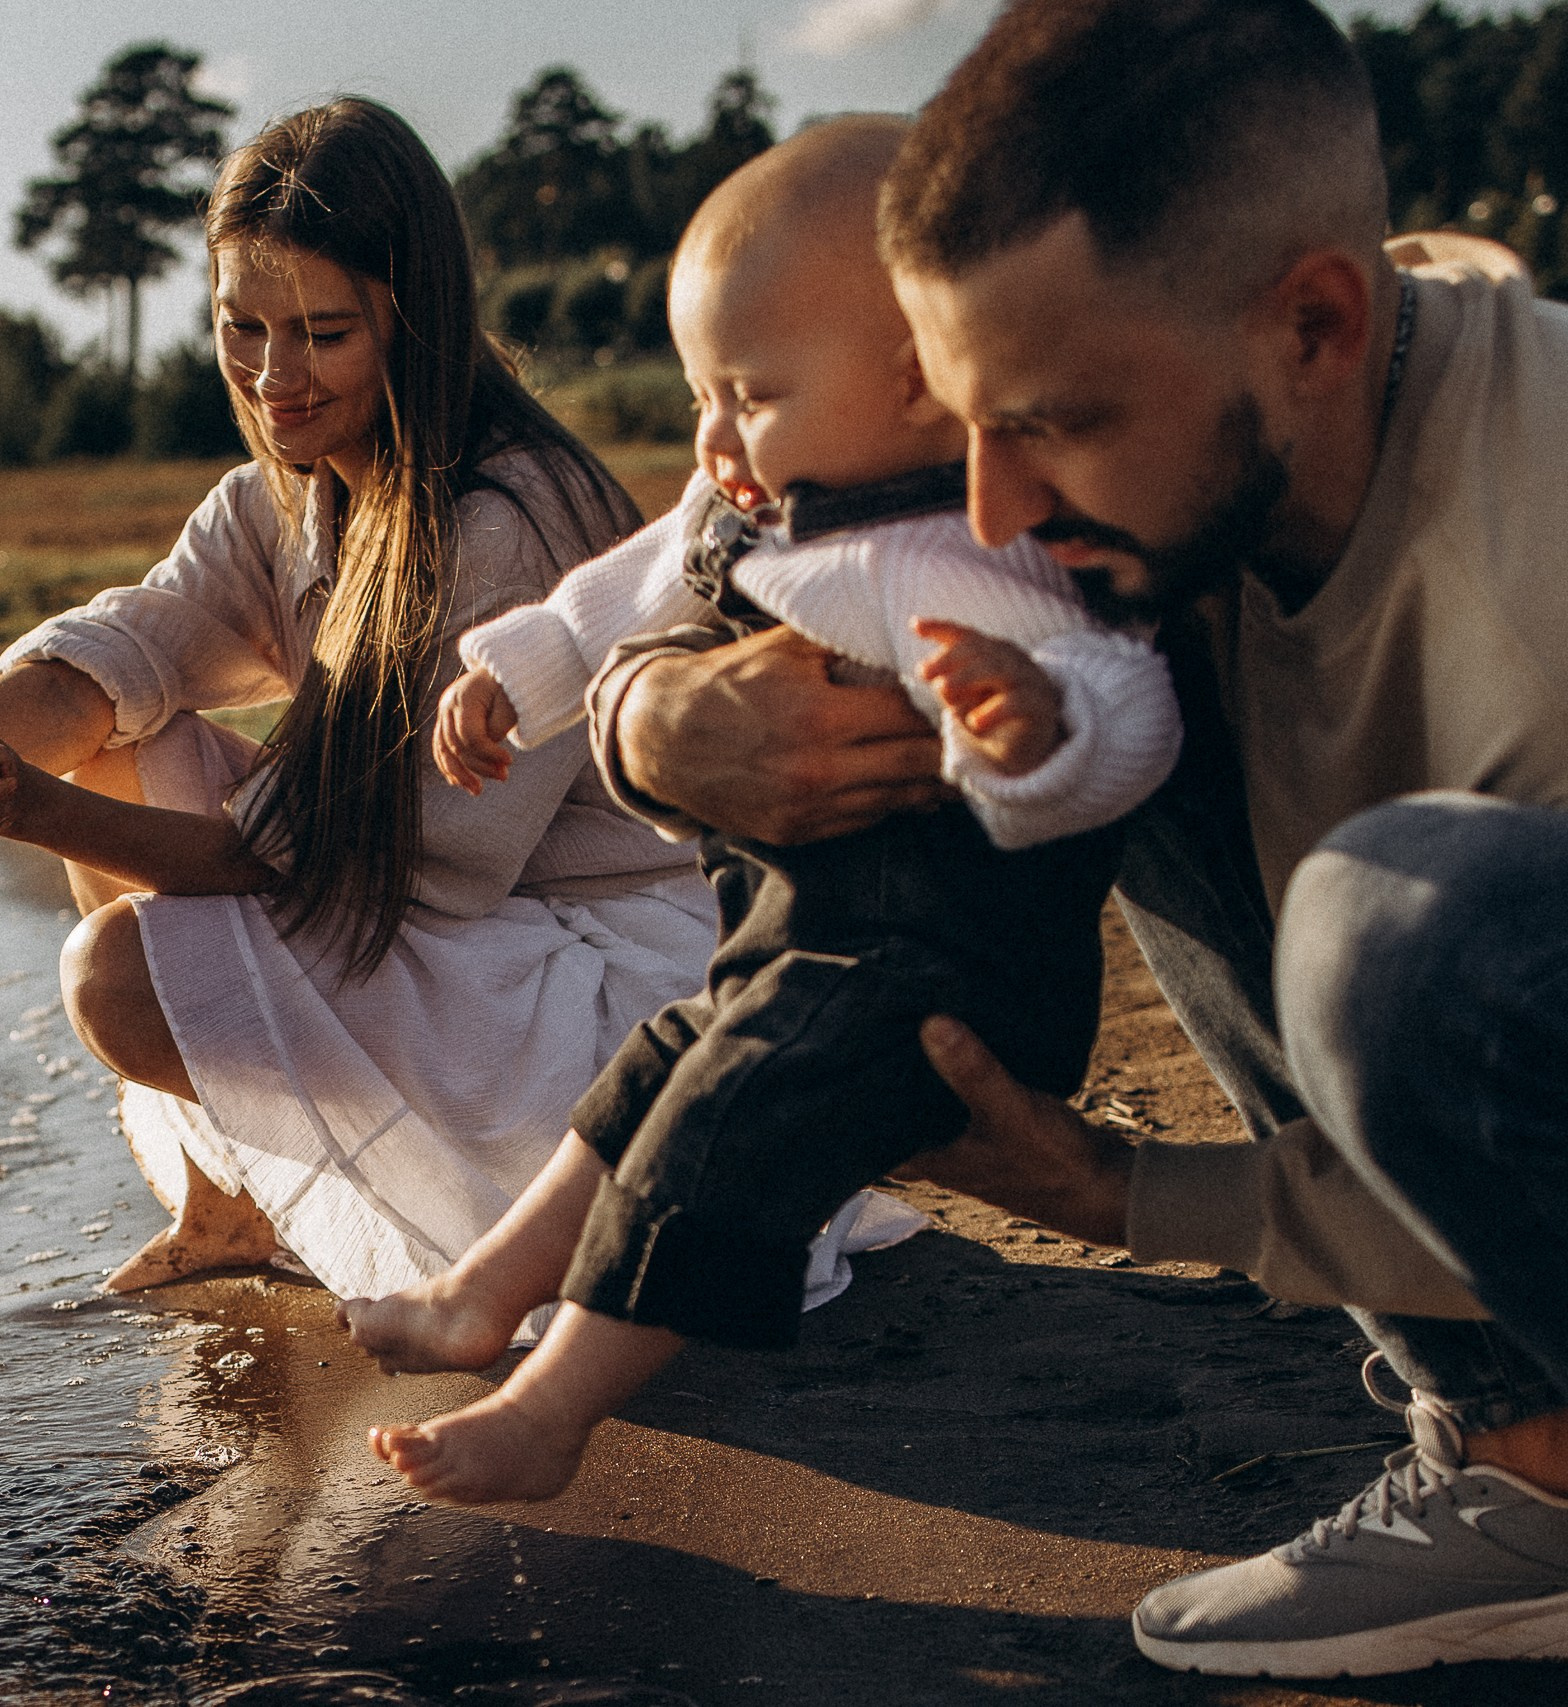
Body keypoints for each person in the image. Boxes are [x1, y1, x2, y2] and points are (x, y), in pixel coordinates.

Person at [608, 0, 1568, 1678]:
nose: (986, 507)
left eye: (1048, 421)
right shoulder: (1231, 380)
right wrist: (657, 717)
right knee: (1091, 697)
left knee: (1400, 926)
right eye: (964, 422)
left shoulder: (1530, 579)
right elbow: (743, 524)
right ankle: (1521, 1465)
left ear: (1320, 326)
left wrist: (1137, 1193)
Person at [333, 117, 1179, 1504]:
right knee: (670, 1054)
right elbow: (632, 583)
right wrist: (519, 670)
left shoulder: (987, 537)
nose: (714, 437)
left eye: (748, 392)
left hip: (955, 978)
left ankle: (556, 1404)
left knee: (730, 1103)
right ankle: (481, 1293)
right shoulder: (757, 500)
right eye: (697, 398)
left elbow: (1126, 708)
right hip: (804, 943)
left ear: (917, 379)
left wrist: (1042, 731)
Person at [0, 98, 723, 1304]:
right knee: (124, 731)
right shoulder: (282, 499)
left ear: (415, 320)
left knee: (116, 979)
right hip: (451, 922)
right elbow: (101, 664)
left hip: (593, 971)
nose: (275, 378)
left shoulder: (508, 519)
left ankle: (442, 1211)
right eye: (244, 327)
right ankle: (229, 1207)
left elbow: (336, 868)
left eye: (324, 334)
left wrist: (24, 811)